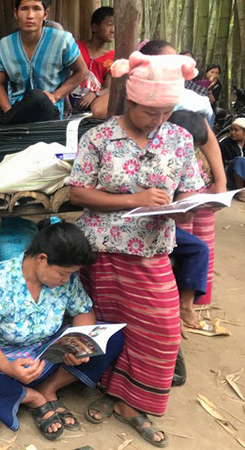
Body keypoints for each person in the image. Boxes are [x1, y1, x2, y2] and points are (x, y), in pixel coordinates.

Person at [68, 51, 204, 447]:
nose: (159, 120)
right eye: (151, 112)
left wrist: (187, 211)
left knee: (162, 331)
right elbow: (78, 192)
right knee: (107, 326)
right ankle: (111, 390)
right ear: (130, 100)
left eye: (166, 111)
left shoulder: (179, 138)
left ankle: (133, 403)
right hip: (102, 249)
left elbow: (189, 190)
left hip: (151, 251)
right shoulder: (99, 137)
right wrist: (135, 199)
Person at [0, 219, 123, 441]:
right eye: (63, 273)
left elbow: (83, 310)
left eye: (71, 274)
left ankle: (50, 388)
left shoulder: (66, 280)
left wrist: (78, 343)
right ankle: (32, 397)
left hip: (50, 348)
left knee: (112, 336)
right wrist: (7, 367)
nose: (67, 279)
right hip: (5, 353)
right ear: (42, 259)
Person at [141, 40, 226, 306]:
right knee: (170, 241)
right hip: (159, 187)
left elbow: (208, 139)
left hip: (192, 180)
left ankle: (188, 302)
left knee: (193, 236)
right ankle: (168, 300)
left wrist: (221, 181)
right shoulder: (135, 94)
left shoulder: (189, 98)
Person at [0, 0, 88, 154]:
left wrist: (55, 96)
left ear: (46, 13)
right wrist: (8, 111)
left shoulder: (61, 40)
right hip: (14, 113)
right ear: (15, 13)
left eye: (36, 9)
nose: (30, 16)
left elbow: (82, 71)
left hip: (48, 113)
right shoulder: (5, 46)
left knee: (37, 97)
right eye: (24, 9)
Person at [167, 110, 212, 330]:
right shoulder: (161, 157)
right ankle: (185, 305)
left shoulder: (188, 162)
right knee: (198, 248)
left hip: (165, 225)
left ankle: (184, 303)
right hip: (143, 225)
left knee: (196, 249)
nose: (191, 150)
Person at [70, 7, 115, 118]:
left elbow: (108, 89)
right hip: (68, 100)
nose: (113, 29)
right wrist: (67, 107)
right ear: (94, 27)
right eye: (109, 24)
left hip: (93, 105)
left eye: (115, 25)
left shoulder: (112, 56)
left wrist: (94, 94)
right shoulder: (75, 47)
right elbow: (63, 78)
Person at [221, 118, 245, 198]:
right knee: (240, 161)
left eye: (236, 130)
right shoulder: (225, 144)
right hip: (231, 177)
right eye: (231, 130)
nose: (232, 132)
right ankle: (240, 192)